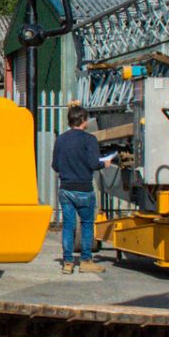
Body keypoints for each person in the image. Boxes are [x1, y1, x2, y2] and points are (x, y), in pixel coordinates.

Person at [52, 105, 115, 273]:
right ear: (82, 120)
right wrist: (105, 163)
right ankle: (86, 261)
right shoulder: (89, 140)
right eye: (86, 119)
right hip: (84, 189)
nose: (87, 121)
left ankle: (67, 262)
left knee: (68, 225)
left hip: (66, 188)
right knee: (87, 224)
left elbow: (55, 165)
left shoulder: (61, 140)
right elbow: (94, 163)